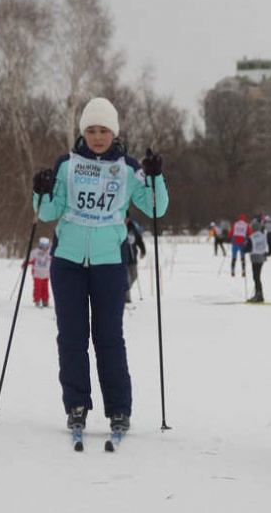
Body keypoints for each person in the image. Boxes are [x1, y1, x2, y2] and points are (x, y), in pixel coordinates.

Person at [31, 97, 169, 434]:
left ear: (114, 132)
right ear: (82, 132)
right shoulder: (68, 164)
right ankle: (76, 404)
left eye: (103, 130)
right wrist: (41, 192)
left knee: (109, 337)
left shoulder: (127, 167)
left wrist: (155, 178)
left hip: (109, 262)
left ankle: (119, 409)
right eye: (91, 130)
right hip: (69, 262)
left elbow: (155, 208)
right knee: (72, 337)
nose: (97, 137)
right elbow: (48, 213)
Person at [124, 214, 147, 303]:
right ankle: (126, 298)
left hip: (133, 257)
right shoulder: (119, 228)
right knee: (127, 278)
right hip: (123, 259)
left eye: (126, 218)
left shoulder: (133, 227)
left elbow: (139, 240)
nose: (125, 220)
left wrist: (143, 251)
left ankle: (123, 290)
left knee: (134, 276)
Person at [26, 237, 53, 307]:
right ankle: (37, 300)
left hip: (46, 275)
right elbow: (30, 259)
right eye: (43, 247)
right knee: (37, 288)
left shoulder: (50, 252)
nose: (44, 249)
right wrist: (26, 263)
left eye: (46, 247)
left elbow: (54, 259)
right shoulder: (35, 252)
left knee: (45, 289)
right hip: (37, 274)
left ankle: (45, 301)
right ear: (40, 246)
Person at [247, 221, 268, 303]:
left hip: (255, 258)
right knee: (257, 277)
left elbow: (248, 248)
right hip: (262, 257)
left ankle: (259, 295)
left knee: (256, 277)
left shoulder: (252, 237)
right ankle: (258, 294)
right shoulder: (263, 236)